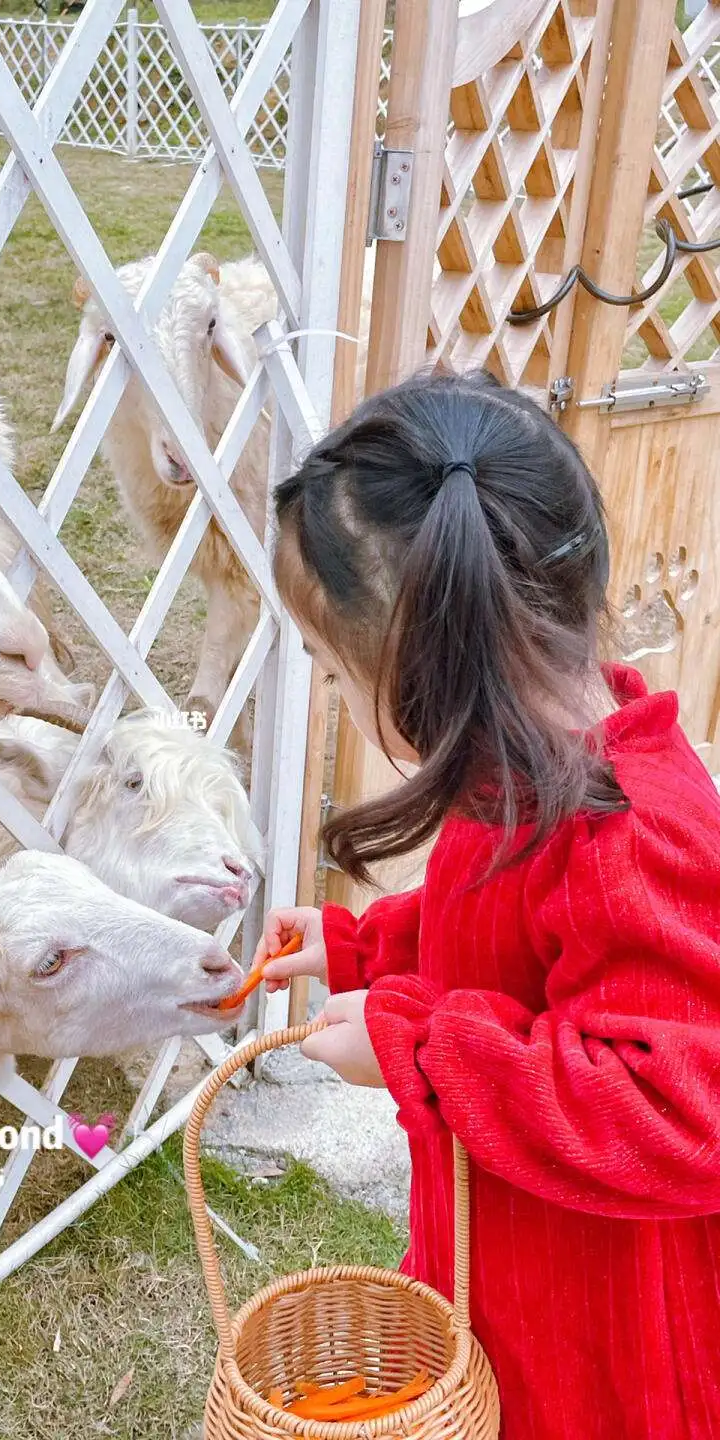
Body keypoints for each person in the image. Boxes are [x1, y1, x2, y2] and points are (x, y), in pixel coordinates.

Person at [255, 370, 720, 1440]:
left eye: (333, 672)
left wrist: (419, 1051)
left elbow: (677, 1112)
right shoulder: (514, 773)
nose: (334, 694)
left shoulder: (636, 834)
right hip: (508, 1261)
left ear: (431, 668)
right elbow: (497, 935)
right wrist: (361, 948)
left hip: (606, 1344)